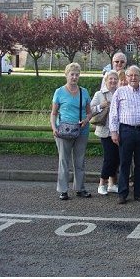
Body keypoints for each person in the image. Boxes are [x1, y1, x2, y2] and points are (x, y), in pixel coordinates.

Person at [109, 65, 140, 204]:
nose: (133, 78)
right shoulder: (120, 92)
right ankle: (122, 193)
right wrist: (113, 132)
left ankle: (139, 192)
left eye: (136, 75)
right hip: (126, 130)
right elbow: (113, 113)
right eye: (130, 75)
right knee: (125, 163)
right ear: (126, 77)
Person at [50, 62, 93, 200]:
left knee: (80, 161)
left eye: (77, 75)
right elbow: (53, 113)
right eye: (72, 74)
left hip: (81, 130)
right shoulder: (59, 92)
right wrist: (54, 127)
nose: (74, 77)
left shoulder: (84, 91)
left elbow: (89, 113)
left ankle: (80, 188)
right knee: (64, 160)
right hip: (63, 130)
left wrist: (86, 121)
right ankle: (63, 189)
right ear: (66, 75)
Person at [91, 70, 119, 195]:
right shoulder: (99, 94)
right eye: (110, 79)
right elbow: (90, 110)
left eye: (115, 79)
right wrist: (100, 106)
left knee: (116, 158)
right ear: (106, 80)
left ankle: (112, 184)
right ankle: (102, 183)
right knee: (109, 158)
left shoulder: (120, 92)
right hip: (105, 130)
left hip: (118, 131)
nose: (113, 81)